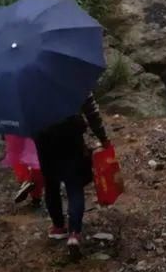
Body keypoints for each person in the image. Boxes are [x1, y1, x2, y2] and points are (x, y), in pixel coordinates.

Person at [34, 93, 109, 260]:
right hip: (70, 135)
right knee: (74, 185)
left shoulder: (28, 83)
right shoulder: (71, 74)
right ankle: (74, 233)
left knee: (51, 183)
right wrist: (103, 137)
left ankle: (58, 227)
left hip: (43, 137)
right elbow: (91, 110)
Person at [2, 134, 44, 208]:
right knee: (35, 158)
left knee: (17, 154)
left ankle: (25, 180)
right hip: (38, 129)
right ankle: (36, 197)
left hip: (16, 129)